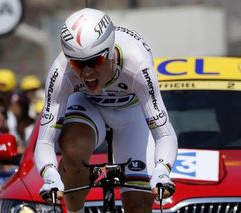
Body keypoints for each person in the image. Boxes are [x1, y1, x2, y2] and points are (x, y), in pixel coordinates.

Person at [34, 8, 178, 213]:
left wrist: (162, 171)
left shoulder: (137, 64)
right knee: (73, 145)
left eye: (95, 61)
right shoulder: (61, 72)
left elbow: (164, 134)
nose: (86, 73)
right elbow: (45, 140)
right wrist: (50, 176)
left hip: (131, 114)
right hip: (88, 106)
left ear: (110, 52)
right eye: (76, 63)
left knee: (138, 205)